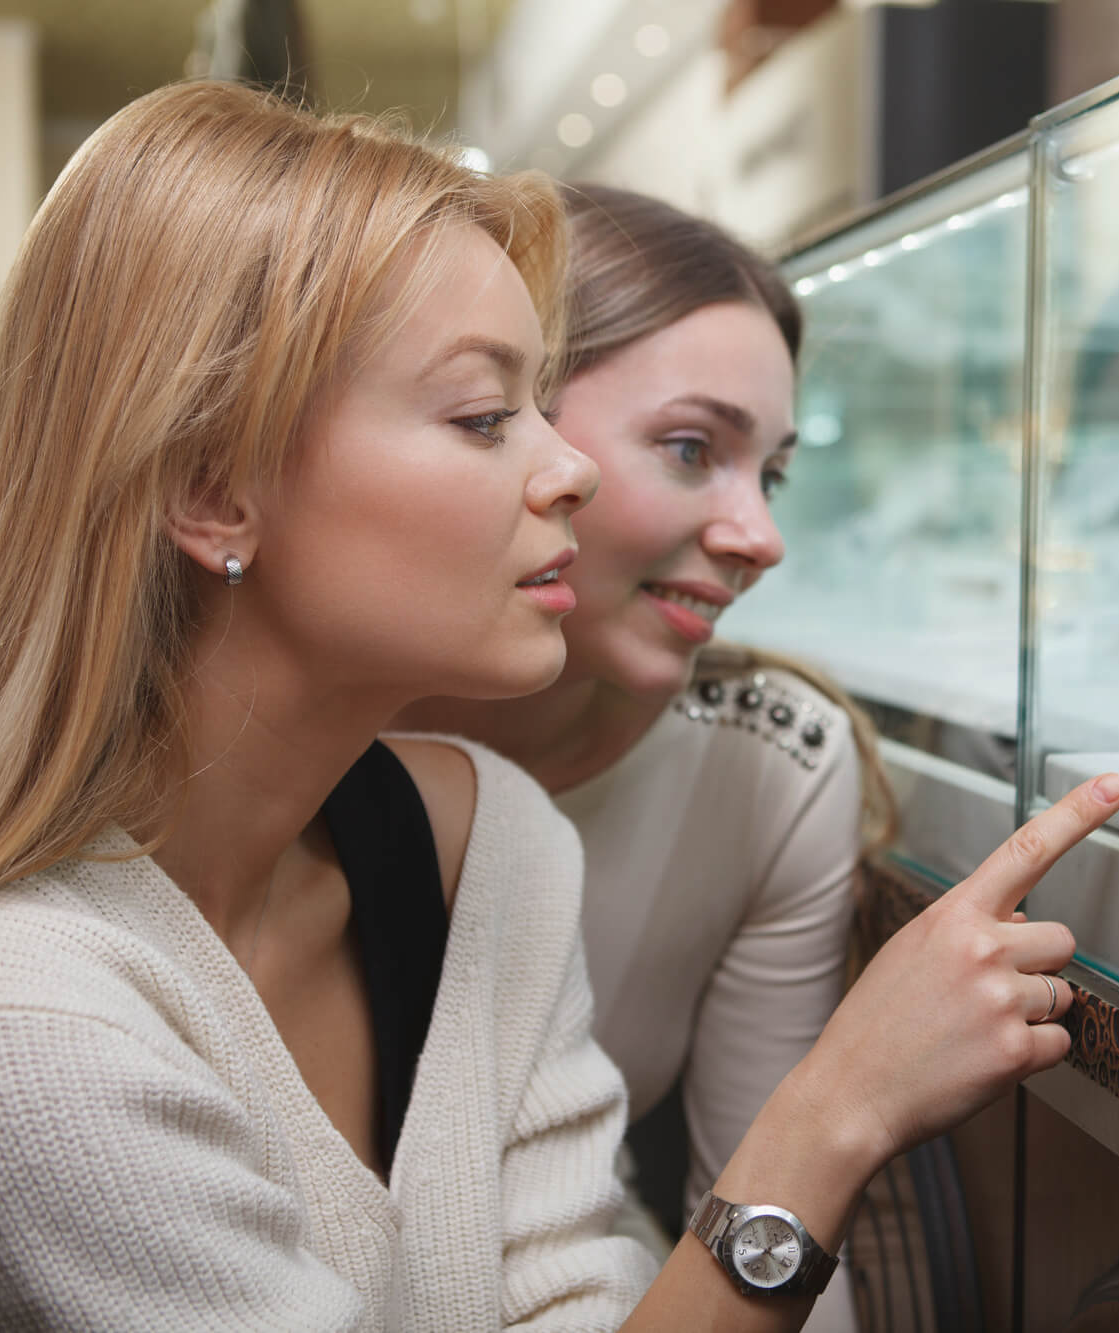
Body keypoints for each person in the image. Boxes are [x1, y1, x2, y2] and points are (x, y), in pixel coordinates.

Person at [0, 81, 1119, 1330]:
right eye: (486, 415)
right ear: (213, 492)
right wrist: (834, 1114)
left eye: (540, 400)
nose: (568, 466)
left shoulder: (497, 845)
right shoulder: (0, 1029)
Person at [394, 188, 894, 1325]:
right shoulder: (309, 718)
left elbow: (766, 1203)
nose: (758, 537)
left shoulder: (772, 759)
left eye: (768, 474)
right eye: (689, 449)